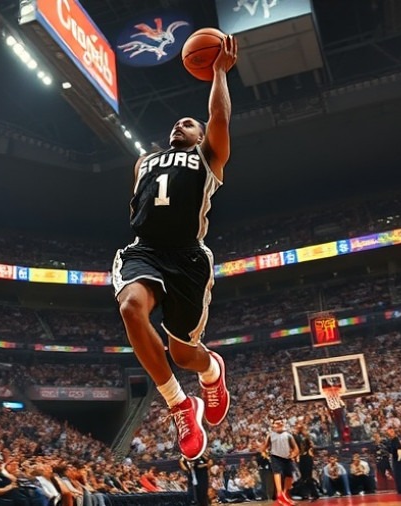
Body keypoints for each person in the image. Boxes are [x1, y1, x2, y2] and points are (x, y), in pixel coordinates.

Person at [112, 33, 238, 462]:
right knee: (131, 307)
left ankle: (212, 371)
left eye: (188, 122)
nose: (178, 125)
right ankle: (180, 406)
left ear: (201, 134)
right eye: (176, 123)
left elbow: (219, 117)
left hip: (187, 257)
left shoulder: (209, 156)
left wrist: (218, 73)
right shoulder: (143, 162)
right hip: (145, 249)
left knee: (185, 354)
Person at [261, 419, 298, 506]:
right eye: (277, 423)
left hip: (287, 457)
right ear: (273, 425)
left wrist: (293, 454)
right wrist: (266, 455)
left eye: (280, 422)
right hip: (275, 457)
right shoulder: (270, 436)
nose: (279, 424)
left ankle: (285, 494)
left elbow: (296, 449)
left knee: (289, 475)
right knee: (277, 473)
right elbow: (264, 448)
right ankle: (279, 494)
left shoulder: (288, 435)